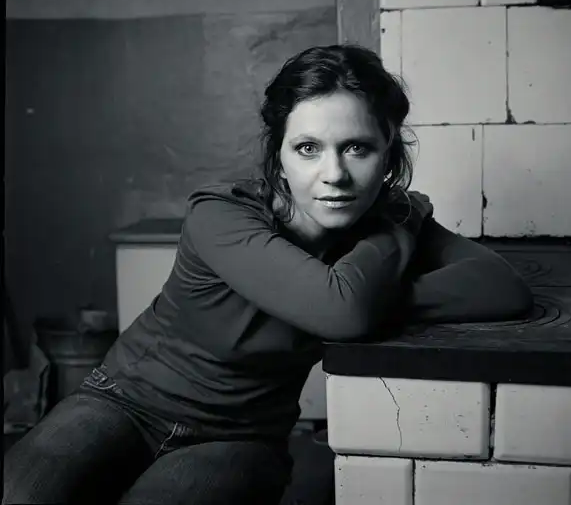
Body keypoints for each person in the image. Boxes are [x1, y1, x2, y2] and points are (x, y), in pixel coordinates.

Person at [3, 44, 533, 504]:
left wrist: (371, 283)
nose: (334, 174)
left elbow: (501, 286)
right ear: (278, 157)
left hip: (240, 437)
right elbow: (343, 311)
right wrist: (384, 250)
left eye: (357, 147)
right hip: (124, 400)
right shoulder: (222, 214)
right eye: (308, 148)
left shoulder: (384, 221)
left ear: (388, 155)